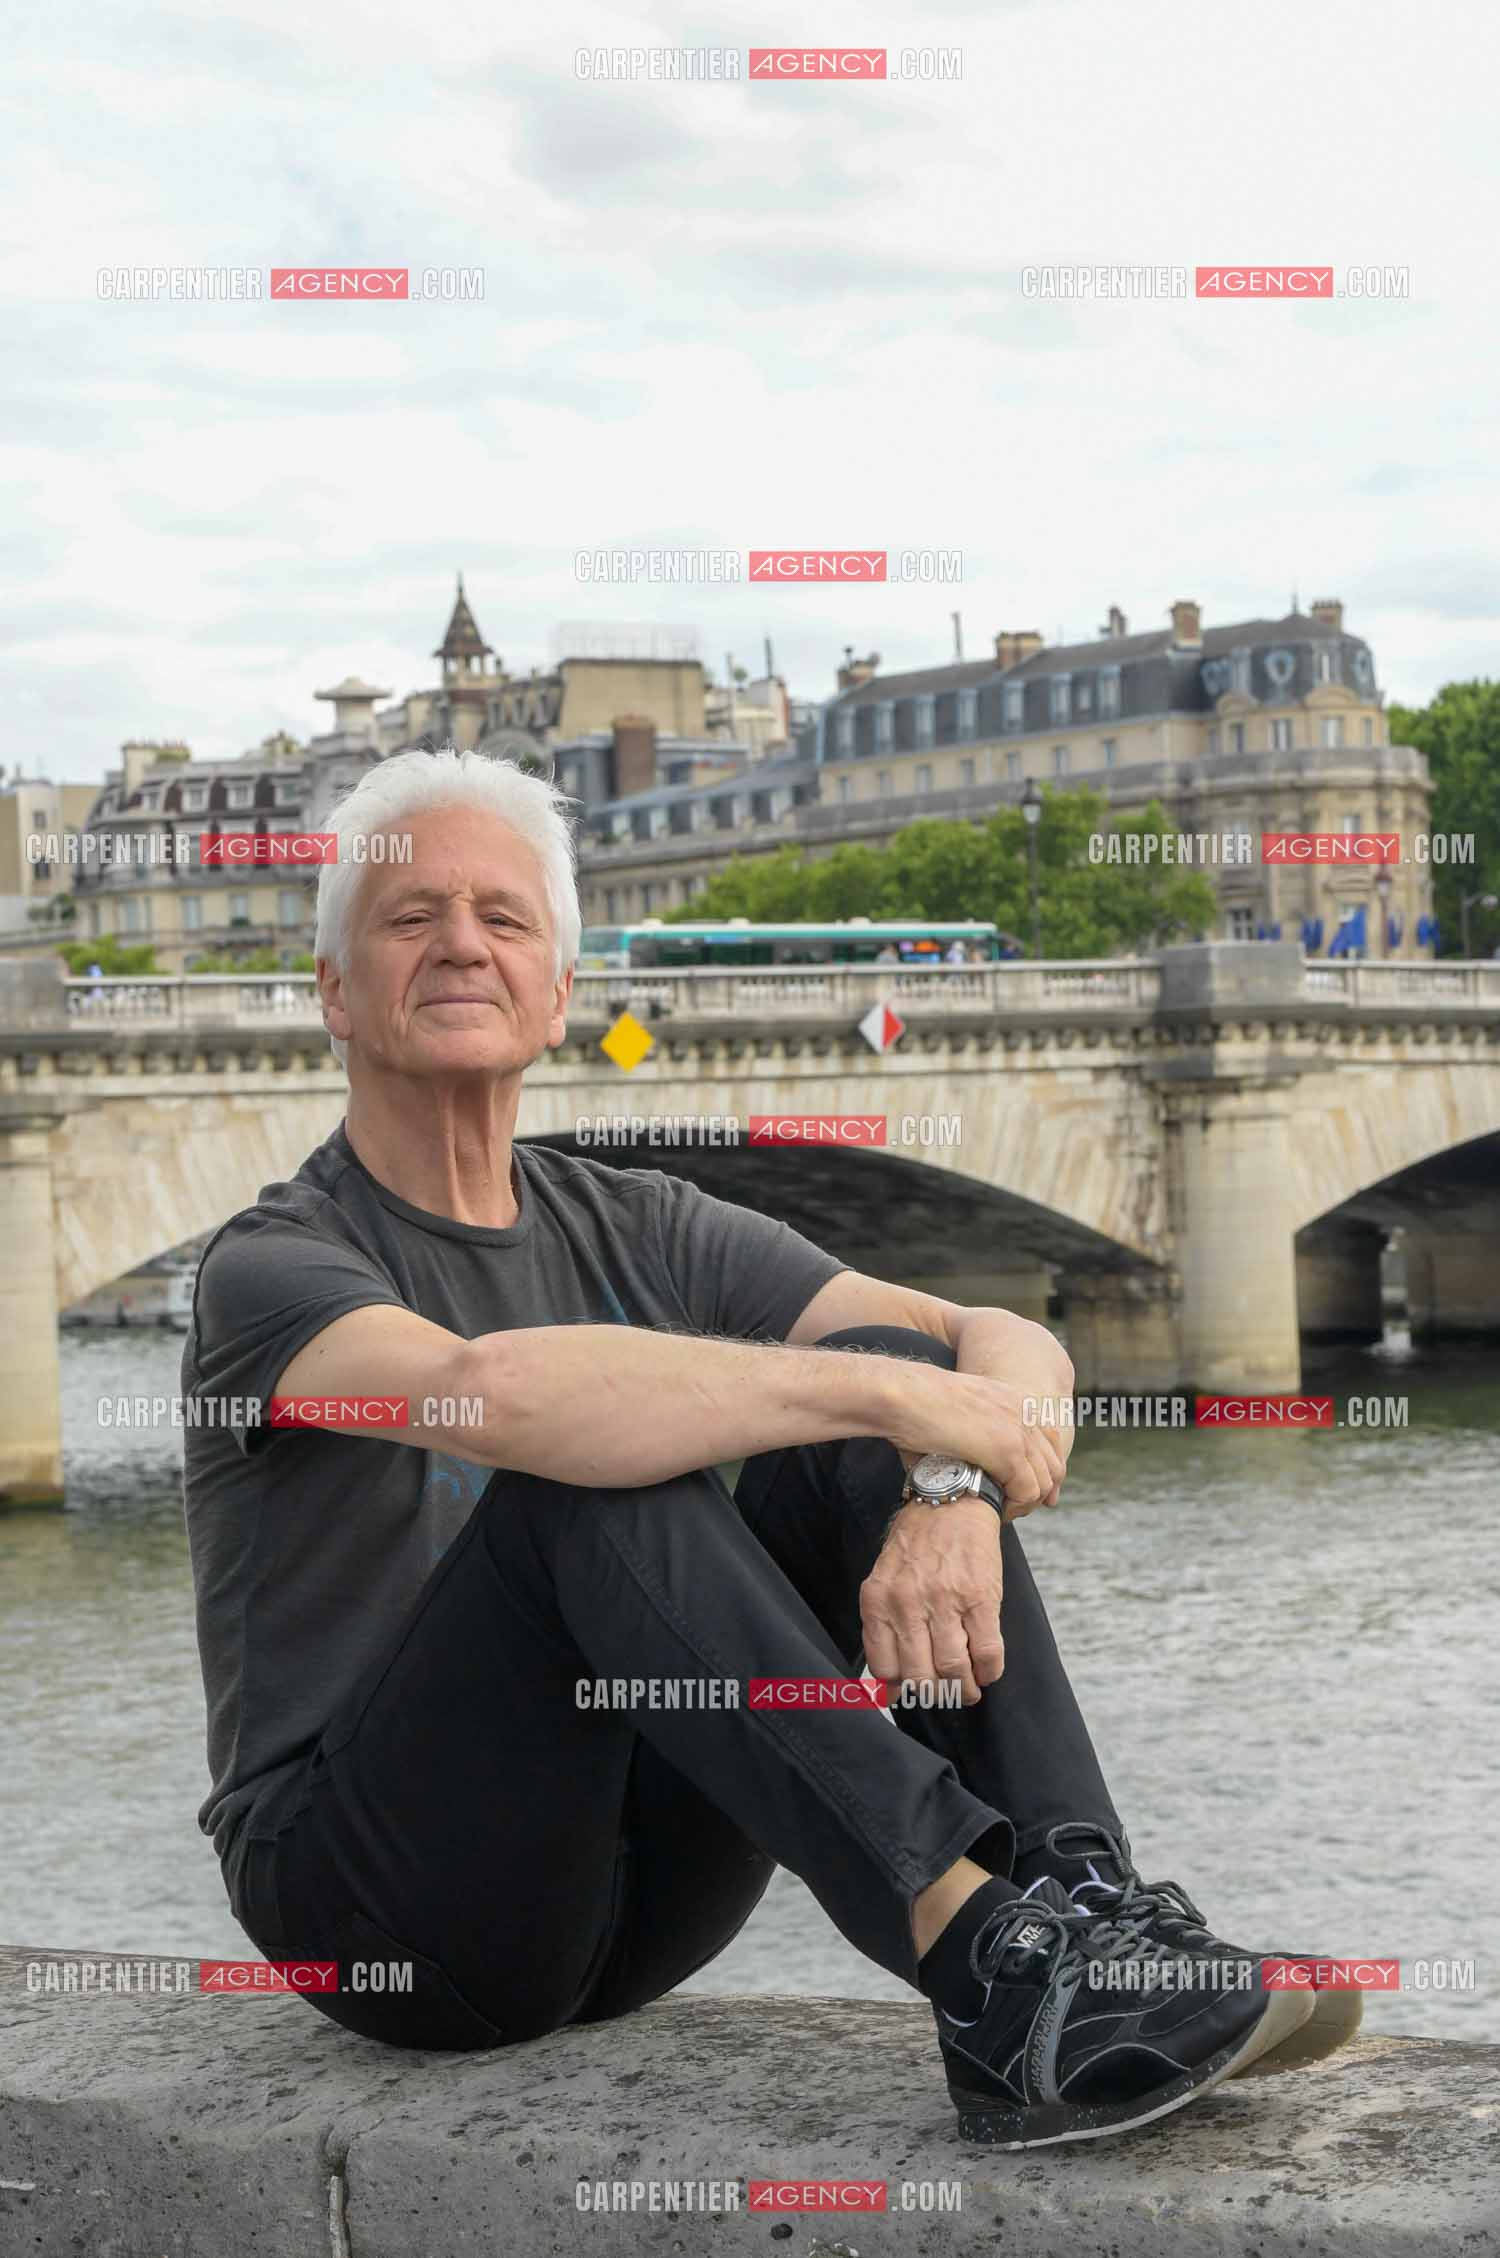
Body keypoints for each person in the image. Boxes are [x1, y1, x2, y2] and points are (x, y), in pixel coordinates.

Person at [182, 746, 1356, 2152]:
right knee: (600, 1478)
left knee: (881, 1382)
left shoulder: (643, 1220)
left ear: (560, 990)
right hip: (377, 1902)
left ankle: (1083, 1919)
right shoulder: (274, 1266)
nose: (461, 943)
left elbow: (995, 1337)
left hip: (631, 1889)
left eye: (503, 916)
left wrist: (946, 1475)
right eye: (410, 913)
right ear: (333, 991)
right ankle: (981, 1958)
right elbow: (488, 1393)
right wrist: (912, 1409)